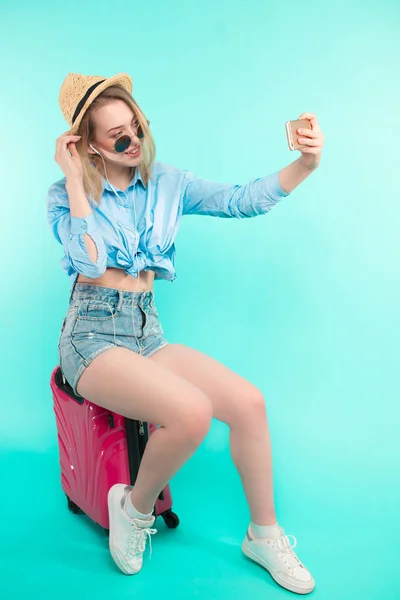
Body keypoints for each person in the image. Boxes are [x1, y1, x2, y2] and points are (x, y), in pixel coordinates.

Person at [47, 71, 324, 594]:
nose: (135, 143)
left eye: (138, 127)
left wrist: (305, 164)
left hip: (145, 332)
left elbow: (243, 199)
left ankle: (263, 534)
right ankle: (133, 509)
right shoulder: (64, 196)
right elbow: (88, 258)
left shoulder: (170, 184)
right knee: (191, 412)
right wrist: (74, 179)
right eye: (118, 138)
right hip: (91, 338)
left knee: (248, 403)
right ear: (88, 146)